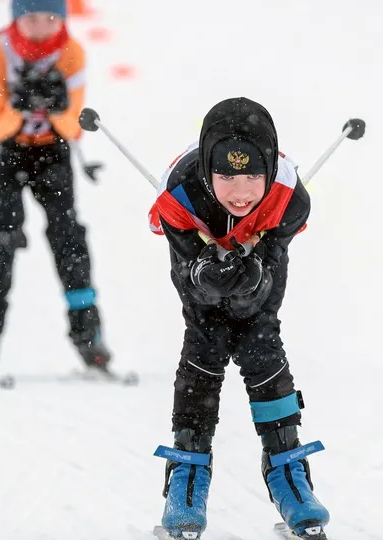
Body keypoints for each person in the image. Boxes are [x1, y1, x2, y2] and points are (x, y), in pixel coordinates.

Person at [149, 97, 330, 539]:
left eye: (252, 175)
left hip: (260, 269)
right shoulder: (180, 194)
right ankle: (187, 475)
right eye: (226, 175)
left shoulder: (289, 199)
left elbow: (267, 295)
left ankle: (288, 471)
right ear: (208, 171)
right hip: (198, 250)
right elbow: (188, 284)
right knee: (204, 340)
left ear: (269, 167)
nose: (241, 190)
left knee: (260, 338)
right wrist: (204, 275)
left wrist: (253, 280)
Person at [0, 0, 112, 377]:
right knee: (6, 231)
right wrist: (19, 103)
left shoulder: (72, 52)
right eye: (31, 19)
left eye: (51, 18)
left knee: (68, 235)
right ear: (16, 19)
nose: (42, 28)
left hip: (51, 151)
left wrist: (58, 104)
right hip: (3, 151)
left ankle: (89, 339)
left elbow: (71, 129)